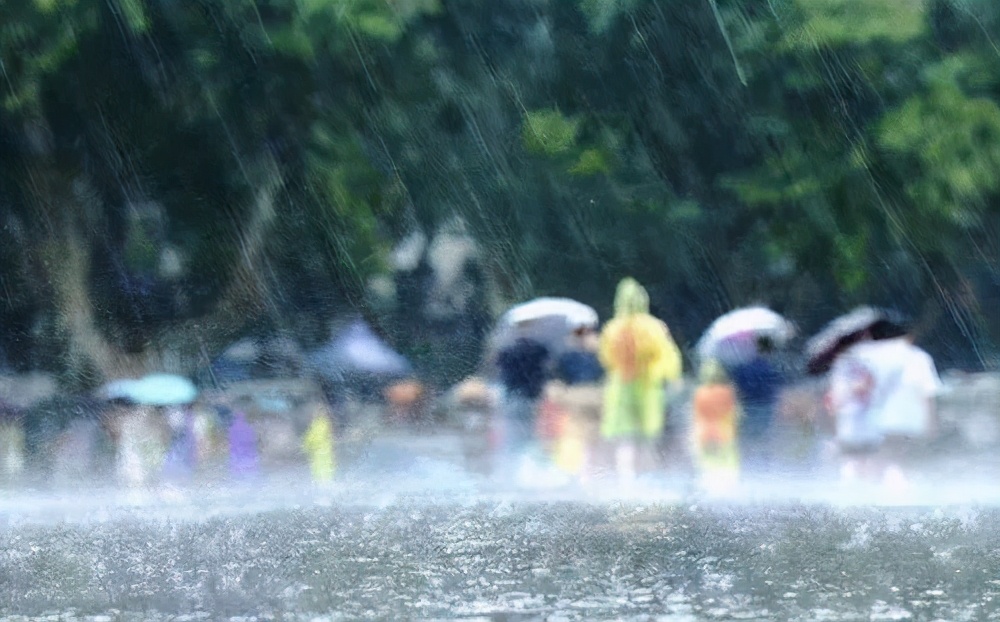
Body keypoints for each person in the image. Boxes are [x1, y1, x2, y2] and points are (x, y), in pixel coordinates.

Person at [598, 277, 682, 483]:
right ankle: (648, 481)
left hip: (621, 387)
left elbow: (606, 359)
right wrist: (672, 378)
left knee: (625, 439)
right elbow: (668, 355)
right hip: (647, 387)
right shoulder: (654, 327)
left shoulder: (612, 328)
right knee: (647, 438)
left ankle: (626, 481)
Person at [493, 334, 551, 482]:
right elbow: (547, 366)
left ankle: (509, 475)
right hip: (532, 400)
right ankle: (532, 475)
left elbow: (497, 366)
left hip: (512, 399)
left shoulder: (507, 351)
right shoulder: (539, 349)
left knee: (512, 440)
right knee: (532, 438)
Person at [726, 335, 784, 475]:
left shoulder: (744, 366)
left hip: (747, 408)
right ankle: (764, 471)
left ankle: (746, 471)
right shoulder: (771, 368)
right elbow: (778, 388)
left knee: (746, 443)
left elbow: (736, 388)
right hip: (766, 409)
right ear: (769, 350)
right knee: (764, 442)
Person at [690, 360, 741, 492]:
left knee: (708, 462)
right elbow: (733, 412)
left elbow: (696, 414)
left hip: (704, 432)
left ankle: (709, 486)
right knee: (726, 460)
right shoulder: (727, 392)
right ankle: (726, 487)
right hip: (723, 431)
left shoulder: (700, 392)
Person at [302, 403, 336, 485]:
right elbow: (311, 437)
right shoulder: (319, 424)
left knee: (322, 471)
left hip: (321, 452)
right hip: (321, 452)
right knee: (321, 471)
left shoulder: (321, 424)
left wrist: (306, 447)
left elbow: (313, 438)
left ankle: (324, 484)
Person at [226, 409, 260, 481]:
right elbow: (252, 441)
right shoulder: (249, 427)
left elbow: (230, 441)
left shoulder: (232, 428)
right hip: (247, 455)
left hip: (238, 454)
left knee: (239, 474)